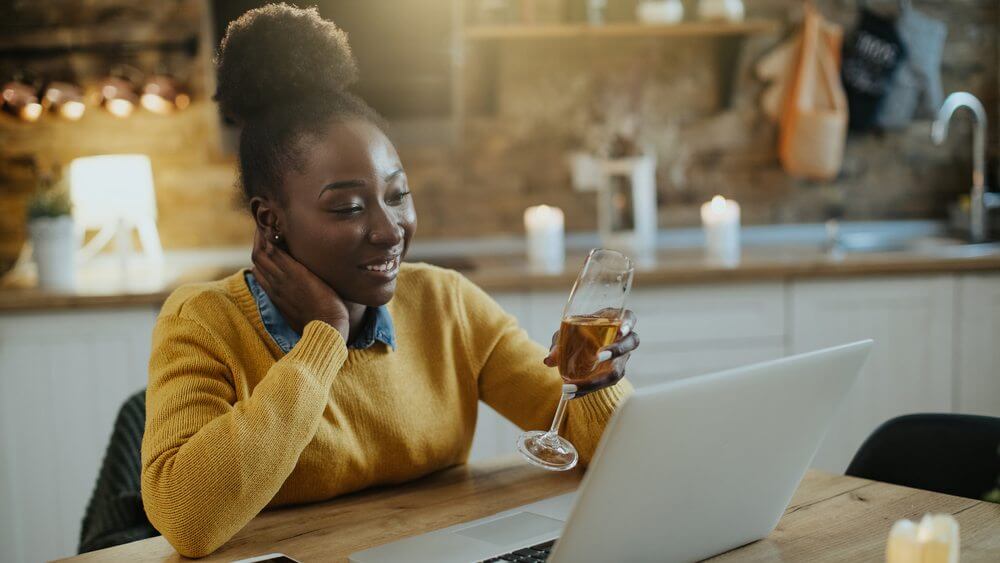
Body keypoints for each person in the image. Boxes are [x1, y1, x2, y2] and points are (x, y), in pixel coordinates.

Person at [140, 4, 639, 558]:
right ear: (269, 220)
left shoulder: (445, 303)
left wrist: (594, 387)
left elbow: (612, 450)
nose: (388, 230)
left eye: (397, 195)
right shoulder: (206, 321)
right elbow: (186, 518)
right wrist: (322, 340)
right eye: (349, 207)